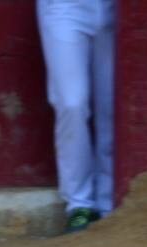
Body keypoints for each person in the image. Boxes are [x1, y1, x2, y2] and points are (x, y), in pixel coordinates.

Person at [37, 0, 117, 232]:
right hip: (66, 7)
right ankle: (79, 203)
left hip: (117, 8)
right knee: (71, 102)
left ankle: (108, 201)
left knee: (113, 107)